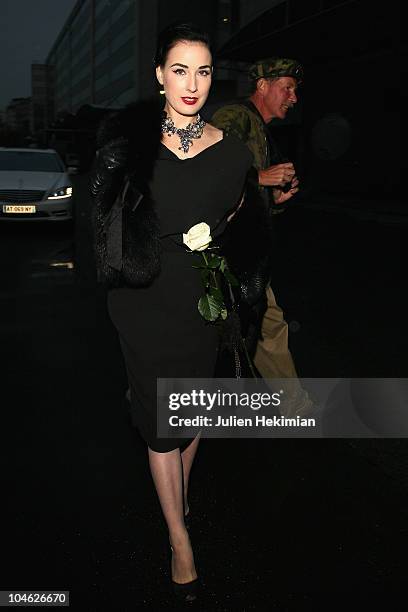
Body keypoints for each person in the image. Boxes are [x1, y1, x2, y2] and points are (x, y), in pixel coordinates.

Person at [90, 23, 271, 602]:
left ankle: (178, 496)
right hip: (143, 301)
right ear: (159, 75)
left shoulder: (233, 151)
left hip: (201, 300)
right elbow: (101, 223)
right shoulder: (128, 147)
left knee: (190, 409)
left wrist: (229, 263)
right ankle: (179, 538)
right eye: (180, 69)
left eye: (204, 71)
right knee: (162, 417)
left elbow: (246, 227)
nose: (192, 83)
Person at [211, 57, 314, 416]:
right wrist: (260, 177)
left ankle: (294, 406)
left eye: (295, 91)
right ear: (262, 86)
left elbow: (248, 200)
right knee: (204, 328)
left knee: (268, 324)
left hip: (245, 252)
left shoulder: (261, 130)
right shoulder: (235, 117)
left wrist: (276, 199)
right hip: (217, 252)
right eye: (287, 88)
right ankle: (150, 394)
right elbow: (206, 169)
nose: (293, 97)